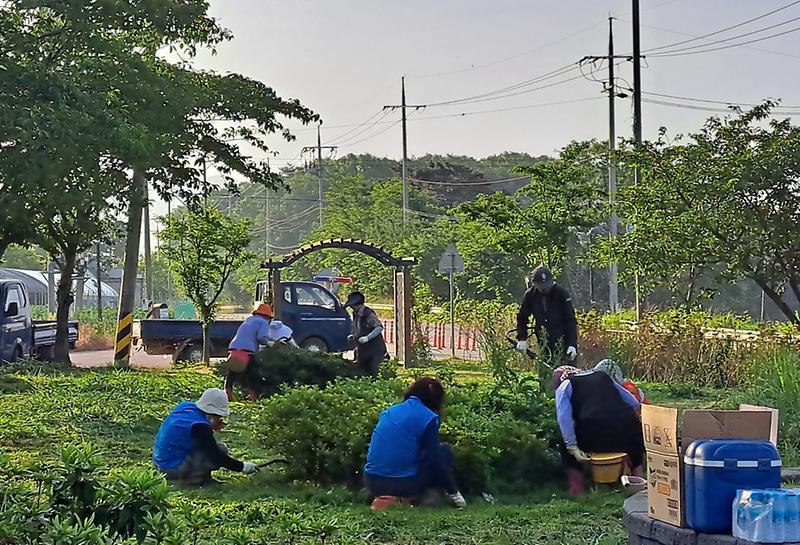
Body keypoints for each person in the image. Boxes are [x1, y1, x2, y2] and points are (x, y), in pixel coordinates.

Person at [364, 377, 466, 510]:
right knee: (444, 452)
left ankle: (391, 498)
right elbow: (435, 460)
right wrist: (455, 493)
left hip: (372, 481)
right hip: (400, 484)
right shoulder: (428, 417)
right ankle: (414, 498)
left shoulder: (390, 411)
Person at [552, 365, 645, 496]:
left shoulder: (565, 385)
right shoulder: (603, 376)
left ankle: (577, 488)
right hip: (625, 434)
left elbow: (564, 418)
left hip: (592, 435)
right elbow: (633, 403)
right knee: (634, 427)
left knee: (563, 440)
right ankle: (637, 477)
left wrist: (572, 446)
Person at [152, 388, 259, 486]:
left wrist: (210, 428)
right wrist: (242, 467)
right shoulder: (200, 426)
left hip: (160, 461)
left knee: (212, 449)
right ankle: (193, 481)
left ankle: (199, 477)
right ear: (214, 413)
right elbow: (215, 455)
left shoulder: (185, 407)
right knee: (221, 449)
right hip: (172, 467)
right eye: (219, 416)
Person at [515, 266, 578, 377]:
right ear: (535, 284)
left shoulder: (562, 294)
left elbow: (571, 320)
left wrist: (572, 344)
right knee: (545, 377)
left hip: (563, 342)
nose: (545, 289)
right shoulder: (530, 295)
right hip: (544, 342)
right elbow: (522, 317)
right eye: (541, 286)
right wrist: (522, 338)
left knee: (567, 377)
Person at [224, 303, 274, 401]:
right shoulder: (263, 322)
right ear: (268, 317)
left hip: (233, 348)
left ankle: (227, 393)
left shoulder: (249, 320)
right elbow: (261, 337)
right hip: (247, 351)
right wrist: (270, 343)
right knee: (253, 374)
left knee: (232, 374)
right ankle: (253, 397)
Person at [344, 291, 386, 378]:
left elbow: (379, 327)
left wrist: (367, 337)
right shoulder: (355, 314)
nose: (351, 307)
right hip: (362, 350)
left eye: (352, 305)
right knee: (362, 373)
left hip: (374, 350)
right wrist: (353, 336)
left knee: (374, 373)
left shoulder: (368, 313)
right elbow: (357, 329)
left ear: (357, 304)